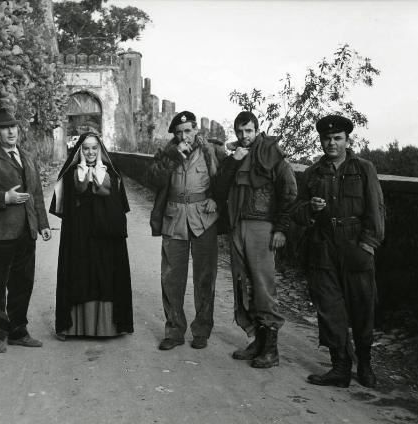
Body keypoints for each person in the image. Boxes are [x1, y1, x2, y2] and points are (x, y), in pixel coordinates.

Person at [293, 114, 385, 388]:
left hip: (355, 246)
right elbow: (296, 210)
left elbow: (376, 209)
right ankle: (340, 368)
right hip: (322, 248)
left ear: (347, 140)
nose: (331, 143)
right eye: (326, 138)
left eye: (337, 138)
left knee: (362, 308)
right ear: (320, 140)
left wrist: (368, 245)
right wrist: (311, 208)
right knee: (330, 310)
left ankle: (365, 365)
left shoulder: (363, 168)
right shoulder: (312, 173)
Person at [215, 111, 297, 368]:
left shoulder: (273, 154)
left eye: (248, 131)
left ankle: (271, 350)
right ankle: (258, 341)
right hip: (238, 226)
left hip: (262, 228)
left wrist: (281, 229)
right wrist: (232, 162)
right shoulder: (236, 155)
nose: (244, 136)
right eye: (239, 132)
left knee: (262, 286)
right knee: (243, 285)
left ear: (257, 130)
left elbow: (290, 192)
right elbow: (218, 190)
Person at [0, 108, 51, 354]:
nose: (11, 131)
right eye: (5, 128)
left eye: (13, 126)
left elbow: (35, 193)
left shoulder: (26, 156)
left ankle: (18, 331)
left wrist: (43, 224)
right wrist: (5, 197)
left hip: (26, 232)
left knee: (22, 284)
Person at [49, 132, 133, 338]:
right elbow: (68, 204)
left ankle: (108, 327)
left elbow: (118, 205)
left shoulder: (111, 174)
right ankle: (73, 327)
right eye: (86, 148)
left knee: (105, 276)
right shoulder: (71, 175)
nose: (90, 152)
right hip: (78, 237)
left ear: (100, 149)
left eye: (94, 148)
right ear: (79, 150)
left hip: (106, 238)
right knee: (80, 275)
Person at [147, 111, 219, 350]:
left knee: (205, 279)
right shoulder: (167, 153)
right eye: (178, 133)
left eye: (187, 131)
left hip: (204, 220)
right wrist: (171, 159)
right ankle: (174, 331)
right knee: (171, 278)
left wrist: (215, 198)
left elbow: (224, 181)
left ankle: (201, 331)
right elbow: (152, 179)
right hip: (174, 218)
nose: (183, 136)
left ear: (196, 130)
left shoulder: (211, 151)